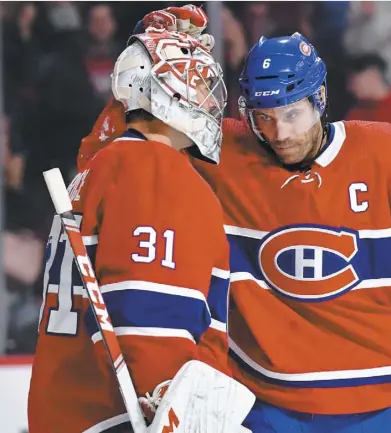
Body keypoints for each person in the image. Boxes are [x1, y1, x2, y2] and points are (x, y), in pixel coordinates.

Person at [79, 10, 391, 433]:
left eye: (292, 113)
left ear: (319, 99)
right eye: (263, 117)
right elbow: (113, 159)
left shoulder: (390, 154)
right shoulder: (221, 153)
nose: (279, 132)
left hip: (384, 407)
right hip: (263, 411)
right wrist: (143, 66)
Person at [28, 28, 239, 433]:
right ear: (165, 91)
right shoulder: (157, 173)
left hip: (67, 409)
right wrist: (173, 412)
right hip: (120, 416)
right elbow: (150, 323)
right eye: (198, 82)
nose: (209, 100)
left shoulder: (99, 168)